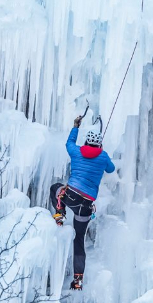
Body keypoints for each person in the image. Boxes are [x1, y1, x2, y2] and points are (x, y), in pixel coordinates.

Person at [49, 115, 116, 290]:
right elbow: (111, 168)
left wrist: (75, 126)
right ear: (99, 144)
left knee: (56, 189)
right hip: (85, 206)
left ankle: (59, 215)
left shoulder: (77, 151)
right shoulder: (103, 157)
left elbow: (69, 144)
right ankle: (78, 279)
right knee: (79, 239)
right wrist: (102, 154)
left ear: (86, 143)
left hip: (70, 196)